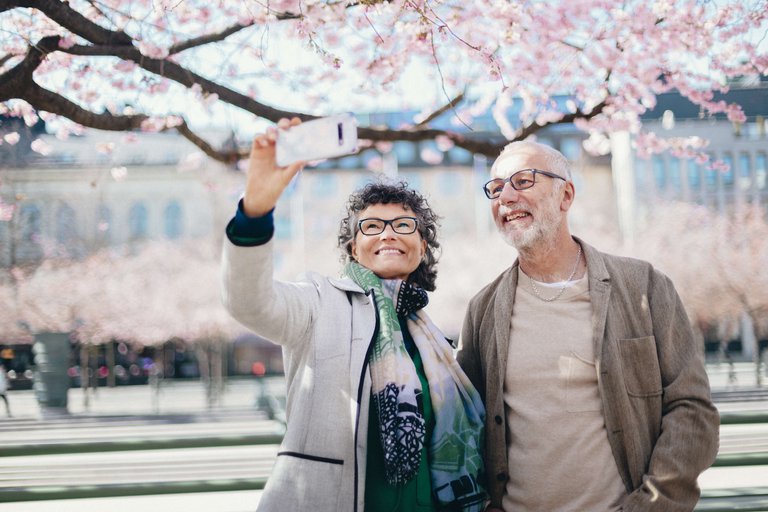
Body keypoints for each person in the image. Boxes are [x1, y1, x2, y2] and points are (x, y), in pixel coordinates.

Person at [221, 118, 487, 512]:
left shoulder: (434, 340)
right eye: (372, 226)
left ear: (422, 244)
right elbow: (250, 302)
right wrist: (255, 213)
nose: (387, 233)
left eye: (403, 224)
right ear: (352, 248)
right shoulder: (319, 303)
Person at [456, 141, 719, 512]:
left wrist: (653, 504)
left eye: (523, 181)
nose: (507, 197)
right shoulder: (483, 310)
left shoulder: (643, 287)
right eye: (496, 188)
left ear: (566, 196)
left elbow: (691, 409)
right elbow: (466, 427)